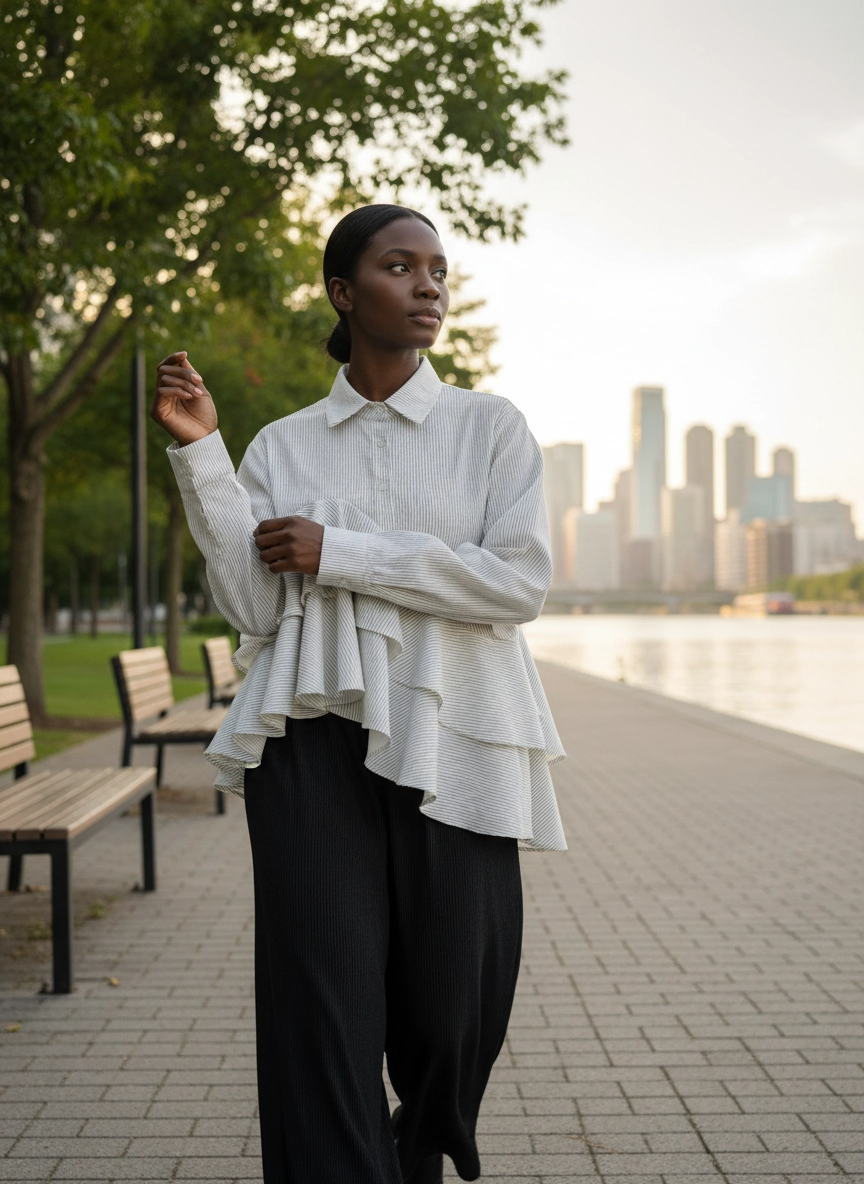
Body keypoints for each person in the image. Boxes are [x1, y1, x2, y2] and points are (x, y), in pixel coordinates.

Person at [150, 203, 567, 1184]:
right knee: (321, 1014)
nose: (428, 284)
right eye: (399, 265)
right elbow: (255, 606)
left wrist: (341, 552)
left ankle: (409, 1147)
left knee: (458, 1007)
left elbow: (518, 581)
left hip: (457, 737)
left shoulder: (488, 428)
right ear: (345, 290)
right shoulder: (285, 445)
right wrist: (204, 457)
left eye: (437, 268)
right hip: (312, 743)